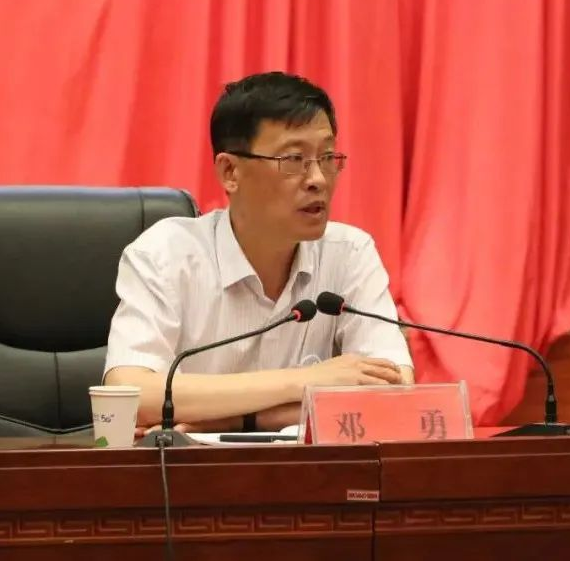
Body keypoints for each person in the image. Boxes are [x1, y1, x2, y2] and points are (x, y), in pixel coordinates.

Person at [104, 71, 414, 432]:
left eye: (328, 157)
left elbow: (393, 391)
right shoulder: (165, 255)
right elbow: (128, 394)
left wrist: (230, 421)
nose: (318, 179)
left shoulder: (350, 253)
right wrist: (305, 381)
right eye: (294, 159)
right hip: (193, 469)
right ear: (230, 172)